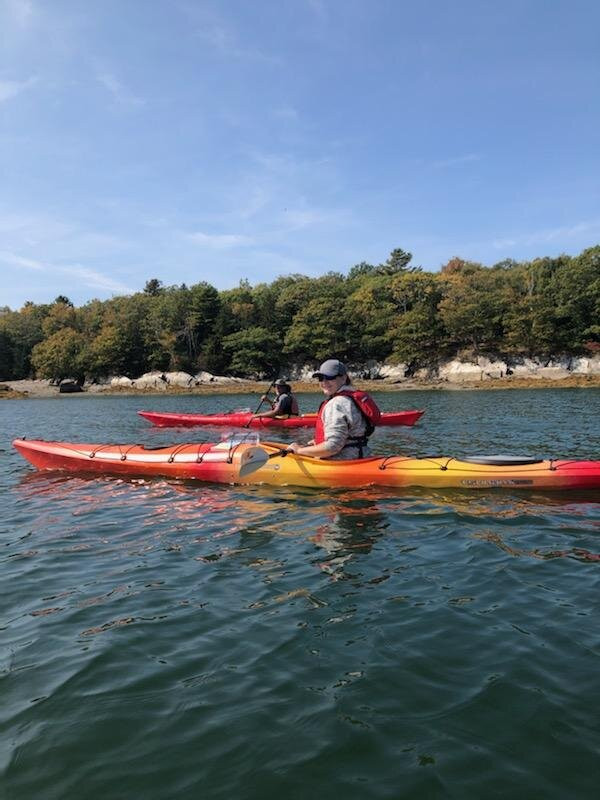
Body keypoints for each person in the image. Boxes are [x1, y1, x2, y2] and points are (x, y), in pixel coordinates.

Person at [286, 359, 380, 460]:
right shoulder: (352, 399)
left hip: (341, 462)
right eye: (321, 378)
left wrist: (299, 451)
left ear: (344, 378)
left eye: (330, 377)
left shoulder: (336, 404)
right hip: (363, 456)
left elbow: (332, 447)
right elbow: (352, 435)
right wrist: (318, 442)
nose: (324, 382)